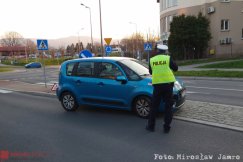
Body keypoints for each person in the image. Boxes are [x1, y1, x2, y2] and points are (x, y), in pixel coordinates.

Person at [146, 43, 178, 133]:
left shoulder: (152, 60)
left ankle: (151, 126)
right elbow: (176, 68)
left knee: (154, 106)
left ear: (157, 51)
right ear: (165, 51)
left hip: (157, 85)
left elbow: (151, 72)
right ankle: (166, 127)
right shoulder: (168, 58)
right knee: (168, 107)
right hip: (168, 85)